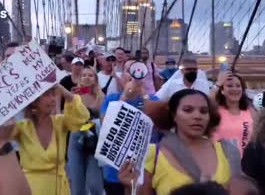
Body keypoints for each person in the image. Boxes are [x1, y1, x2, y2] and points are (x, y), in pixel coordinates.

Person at [118, 89, 240, 195]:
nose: (197, 116)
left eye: (203, 111)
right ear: (174, 115)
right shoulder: (153, 154)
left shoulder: (227, 151)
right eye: (188, 110)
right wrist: (131, 187)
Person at [0, 84, 90, 195]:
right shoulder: (23, 126)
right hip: (31, 188)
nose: (53, 99)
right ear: (35, 101)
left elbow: (82, 118)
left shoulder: (60, 122)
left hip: (58, 189)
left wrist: (62, 89)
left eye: (53, 95)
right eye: (47, 95)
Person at [100, 60, 160, 195]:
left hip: (145, 170)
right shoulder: (112, 99)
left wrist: (144, 96)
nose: (135, 75)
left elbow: (157, 124)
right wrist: (125, 96)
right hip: (115, 170)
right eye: (129, 70)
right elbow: (106, 124)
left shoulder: (153, 100)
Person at [67, 67, 105, 195]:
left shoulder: (101, 95)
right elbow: (68, 118)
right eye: (84, 75)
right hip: (76, 139)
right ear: (80, 78)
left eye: (90, 75)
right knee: (77, 186)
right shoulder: (74, 96)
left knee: (95, 185)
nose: (87, 77)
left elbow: (102, 117)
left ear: (95, 79)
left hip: (95, 139)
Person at [211, 72, 255, 155]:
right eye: (229, 86)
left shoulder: (250, 111)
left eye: (238, 86)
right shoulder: (215, 110)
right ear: (222, 91)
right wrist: (218, 84)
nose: (235, 89)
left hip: (244, 164)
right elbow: (206, 102)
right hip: (220, 162)